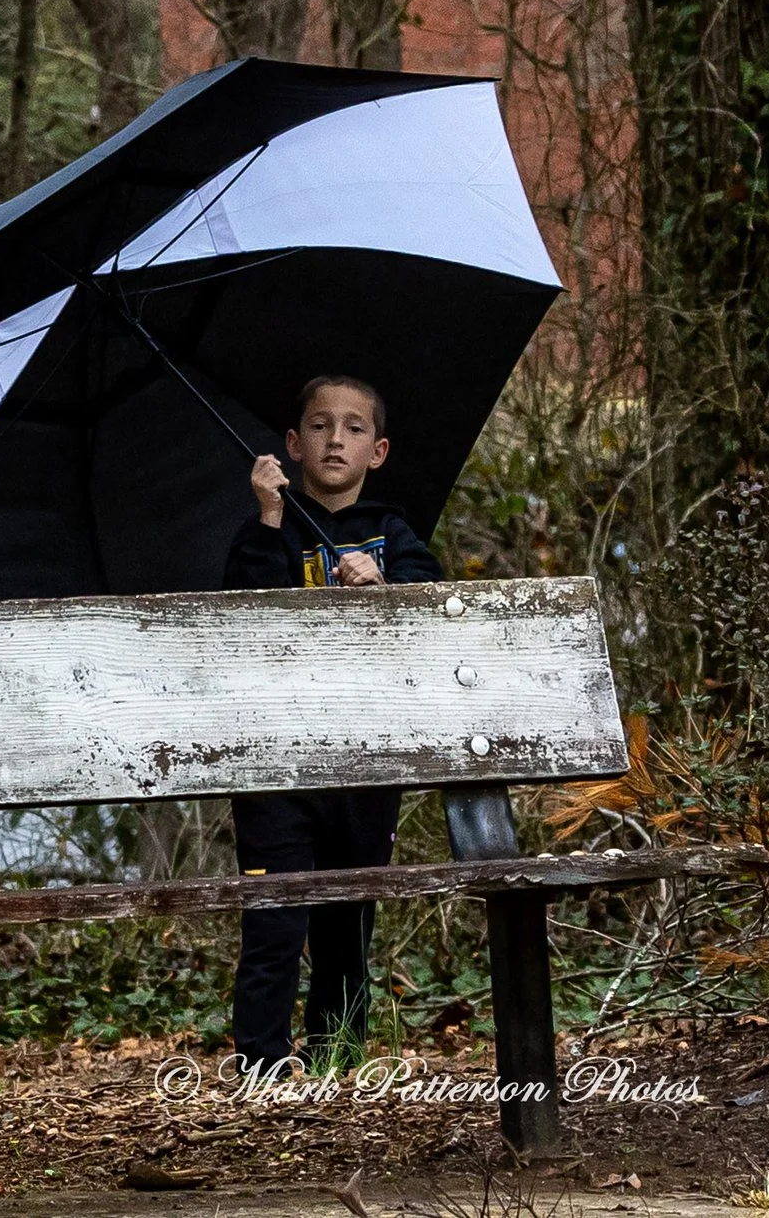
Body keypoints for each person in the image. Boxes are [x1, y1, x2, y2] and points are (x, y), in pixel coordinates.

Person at [220, 374, 444, 1071]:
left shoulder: (391, 532)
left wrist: (385, 589)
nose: (334, 438)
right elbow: (237, 616)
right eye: (319, 426)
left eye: (352, 427)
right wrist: (266, 516)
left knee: (347, 921)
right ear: (292, 445)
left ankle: (336, 1058)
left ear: (376, 450)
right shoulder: (268, 533)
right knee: (275, 920)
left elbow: (432, 605)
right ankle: (260, 1063)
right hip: (277, 766)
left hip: (365, 762)